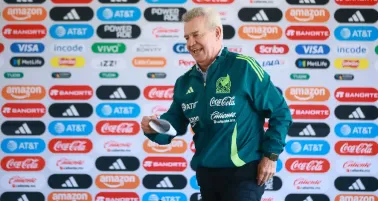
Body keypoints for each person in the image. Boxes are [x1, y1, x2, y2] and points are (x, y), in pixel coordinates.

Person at [141, 7, 293, 201]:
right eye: (187, 37)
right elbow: (174, 124)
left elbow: (280, 112)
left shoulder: (243, 67)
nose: (190, 43)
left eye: (196, 35)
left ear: (217, 33)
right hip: (207, 175)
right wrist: (154, 127)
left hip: (244, 172)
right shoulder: (184, 82)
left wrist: (270, 156)